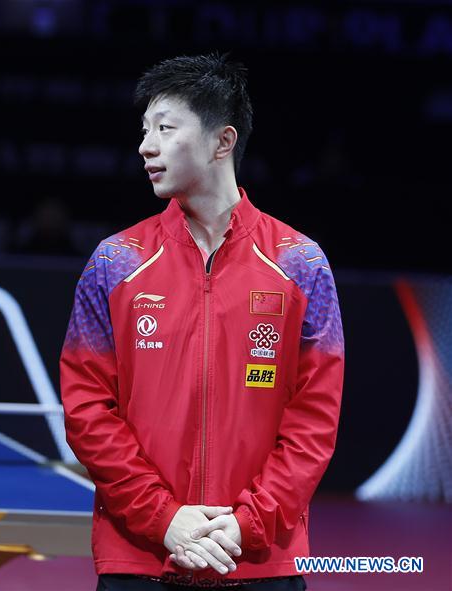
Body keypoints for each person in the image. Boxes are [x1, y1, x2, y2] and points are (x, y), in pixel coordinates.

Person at [60, 53, 344, 590]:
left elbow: (314, 420)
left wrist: (246, 526)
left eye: (165, 128)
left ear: (222, 141)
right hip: (141, 558)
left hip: (260, 561)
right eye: (144, 130)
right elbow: (86, 410)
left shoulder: (300, 263)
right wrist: (165, 519)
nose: (146, 146)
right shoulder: (114, 262)